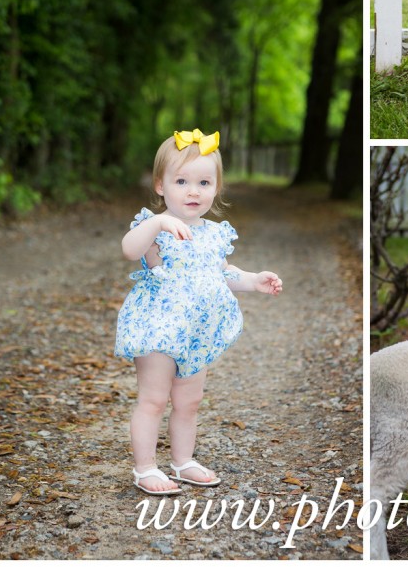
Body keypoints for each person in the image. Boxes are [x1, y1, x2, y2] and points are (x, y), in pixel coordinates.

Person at [116, 128, 283, 495]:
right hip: (159, 327)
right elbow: (130, 250)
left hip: (198, 330)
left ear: (216, 188)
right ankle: (145, 468)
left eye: (204, 182)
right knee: (154, 398)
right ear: (161, 186)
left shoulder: (213, 232)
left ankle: (183, 461)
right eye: (182, 181)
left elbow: (221, 274)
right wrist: (157, 222)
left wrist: (253, 279)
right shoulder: (153, 227)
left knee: (189, 401)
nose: (193, 191)